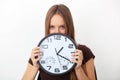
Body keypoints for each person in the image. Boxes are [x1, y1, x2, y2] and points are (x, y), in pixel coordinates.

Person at [22, 4, 96, 80]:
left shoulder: (84, 52)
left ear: (68, 27)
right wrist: (35, 67)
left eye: (62, 27)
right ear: (47, 28)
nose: (57, 31)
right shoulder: (40, 52)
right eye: (52, 27)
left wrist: (78, 69)